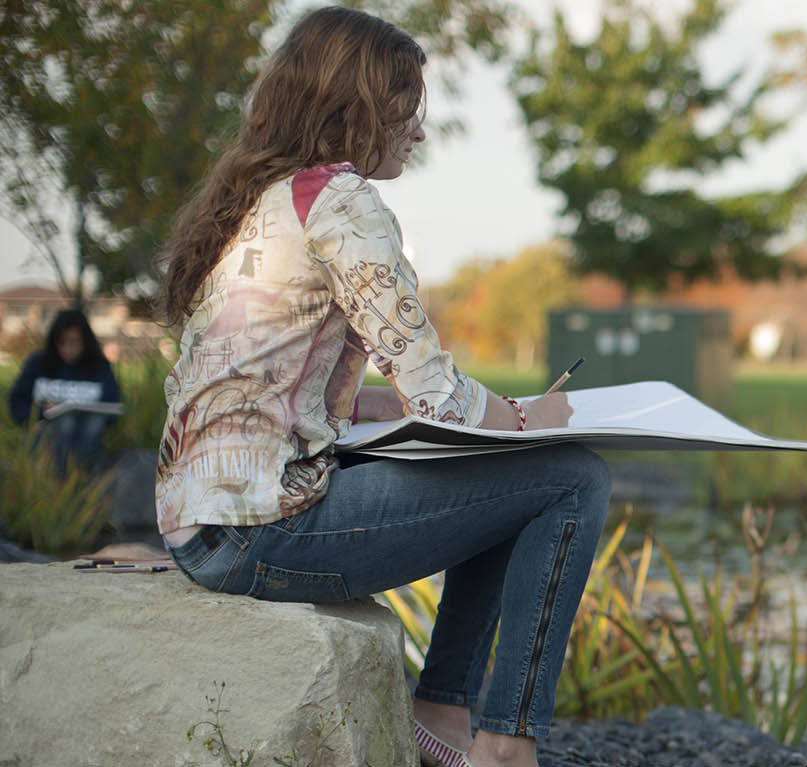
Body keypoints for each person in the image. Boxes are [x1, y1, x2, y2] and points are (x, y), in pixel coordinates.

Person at [153, 9, 605, 767]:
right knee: (570, 475)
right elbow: (442, 395)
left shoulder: (260, 197)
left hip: (199, 523)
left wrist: (370, 404)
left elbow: (255, 375)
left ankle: (442, 709)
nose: (418, 133)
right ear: (358, 108)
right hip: (260, 531)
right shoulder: (342, 202)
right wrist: (533, 415)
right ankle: (505, 742)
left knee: (502, 472)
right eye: (407, 111)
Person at [8, 308, 122, 474]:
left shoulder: (99, 366)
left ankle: (81, 478)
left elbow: (112, 404)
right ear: (54, 341)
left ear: (85, 341)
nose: (68, 349)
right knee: (66, 424)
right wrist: (31, 418)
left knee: (93, 425)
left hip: (87, 435)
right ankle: (60, 483)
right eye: (62, 342)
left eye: (74, 342)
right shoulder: (37, 363)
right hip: (47, 433)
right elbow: (17, 399)